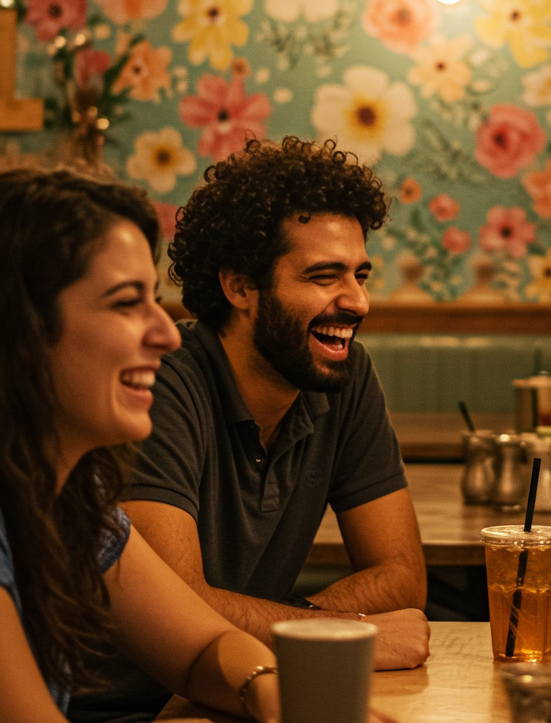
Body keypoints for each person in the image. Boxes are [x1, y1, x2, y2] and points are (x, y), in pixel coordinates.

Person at [71, 137, 429, 723]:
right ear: (240, 287)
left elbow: (402, 579)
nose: (358, 301)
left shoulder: (340, 373)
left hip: (211, 695)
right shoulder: (158, 386)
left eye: (360, 274)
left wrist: (288, 633)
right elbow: (182, 607)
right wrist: (335, 632)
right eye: (323, 276)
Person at [0, 168, 280, 723]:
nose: (168, 333)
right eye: (128, 303)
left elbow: (204, 649)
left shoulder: (69, 502)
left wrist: (275, 695)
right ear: (22, 328)